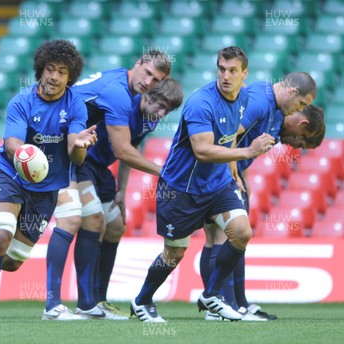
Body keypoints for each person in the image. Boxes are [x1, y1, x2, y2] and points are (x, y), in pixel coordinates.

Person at [130, 46, 276, 322]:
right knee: (174, 254)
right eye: (222, 69)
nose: (226, 76)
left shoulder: (244, 99)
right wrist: (247, 153)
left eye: (233, 71)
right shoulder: (201, 102)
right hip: (180, 189)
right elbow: (203, 150)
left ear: (244, 74)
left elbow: (231, 134)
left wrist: (232, 169)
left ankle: (211, 294)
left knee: (242, 232)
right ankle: (142, 301)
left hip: (217, 184)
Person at [0, 40, 98, 325]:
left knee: (11, 262)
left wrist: (82, 144)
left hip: (47, 187)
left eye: (62, 72)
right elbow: (12, 143)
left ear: (69, 76)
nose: (54, 76)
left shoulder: (75, 104)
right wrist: (24, 156)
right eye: (50, 69)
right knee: (2, 235)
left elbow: (76, 153)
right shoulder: (21, 101)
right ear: (40, 70)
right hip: (10, 175)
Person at [44, 51, 174, 321]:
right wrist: (164, 174)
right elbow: (123, 150)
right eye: (147, 73)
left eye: (156, 79)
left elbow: (131, 146)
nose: (148, 81)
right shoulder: (117, 93)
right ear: (137, 64)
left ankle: (97, 300)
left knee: (115, 225)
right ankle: (79, 303)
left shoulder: (142, 103)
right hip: (66, 151)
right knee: (88, 219)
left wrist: (122, 192)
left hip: (94, 161)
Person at [201, 101, 323, 322]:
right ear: (302, 123)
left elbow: (241, 151)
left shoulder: (274, 126)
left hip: (225, 174)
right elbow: (231, 135)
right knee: (224, 236)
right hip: (218, 175)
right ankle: (225, 306)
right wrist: (234, 175)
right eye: (302, 139)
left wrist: (243, 178)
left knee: (226, 238)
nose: (297, 145)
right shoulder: (267, 108)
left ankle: (236, 303)